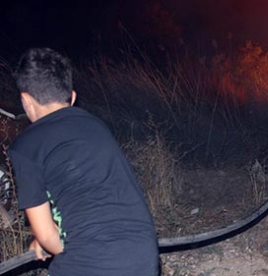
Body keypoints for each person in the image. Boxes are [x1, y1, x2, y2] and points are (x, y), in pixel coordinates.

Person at [8, 48, 159, 276]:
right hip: (144, 255)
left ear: (26, 100)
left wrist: (49, 239)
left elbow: (48, 238)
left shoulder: (26, 147)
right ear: (73, 97)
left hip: (91, 263)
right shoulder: (96, 126)